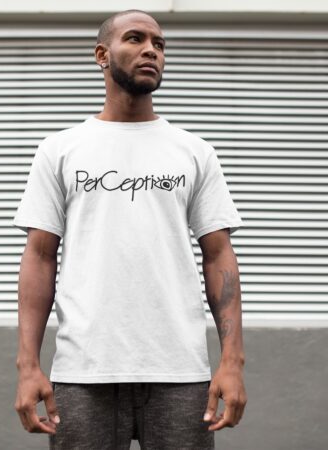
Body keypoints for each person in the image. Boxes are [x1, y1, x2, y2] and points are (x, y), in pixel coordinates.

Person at [13, 9, 247, 449]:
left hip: (180, 373)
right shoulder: (60, 150)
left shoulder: (194, 152)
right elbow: (40, 257)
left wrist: (232, 361)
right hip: (84, 373)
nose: (150, 51)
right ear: (102, 55)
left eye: (159, 44)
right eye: (135, 39)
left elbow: (219, 255)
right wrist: (28, 366)